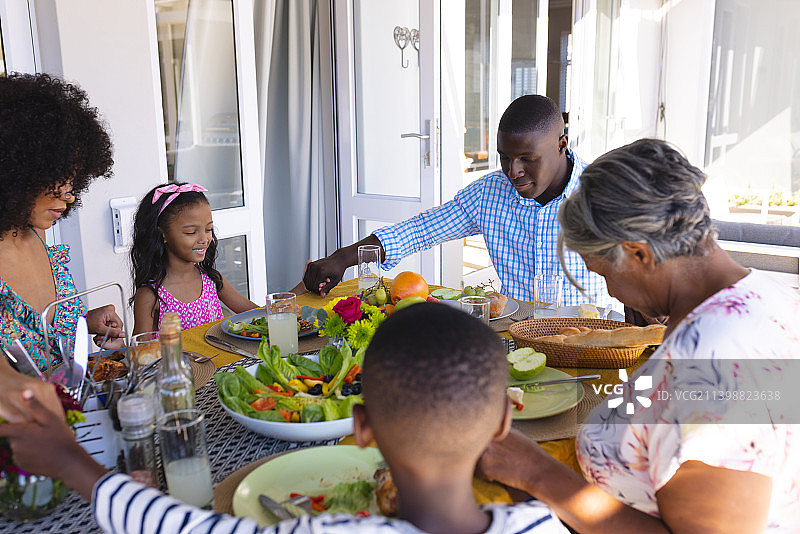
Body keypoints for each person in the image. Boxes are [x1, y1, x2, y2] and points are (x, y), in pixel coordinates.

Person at [0, 303, 570, 533]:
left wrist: (69, 461)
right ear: (502, 421)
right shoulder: (541, 527)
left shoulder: (326, 530)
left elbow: (180, 527)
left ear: (360, 427)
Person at [478, 138, 800, 532]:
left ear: (639, 254)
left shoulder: (715, 364)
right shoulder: (760, 294)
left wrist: (537, 473)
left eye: (604, 274)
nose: (611, 292)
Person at [301, 95, 611, 308]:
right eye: (505, 158)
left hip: (586, 340)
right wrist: (342, 257)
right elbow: (421, 229)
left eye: (527, 159)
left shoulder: (603, 194)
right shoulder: (489, 193)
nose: (513, 171)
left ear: (561, 145)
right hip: (514, 337)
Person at [0, 73, 125, 372]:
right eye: (59, 177)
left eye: (73, 179)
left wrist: (85, 321)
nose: (70, 196)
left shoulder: (39, 238)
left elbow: (43, 336)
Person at [130, 183, 257, 334]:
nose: (204, 239)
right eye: (191, 232)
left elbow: (256, 313)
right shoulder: (151, 294)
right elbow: (141, 351)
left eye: (209, 229)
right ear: (163, 234)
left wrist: (288, 302)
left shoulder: (212, 279)